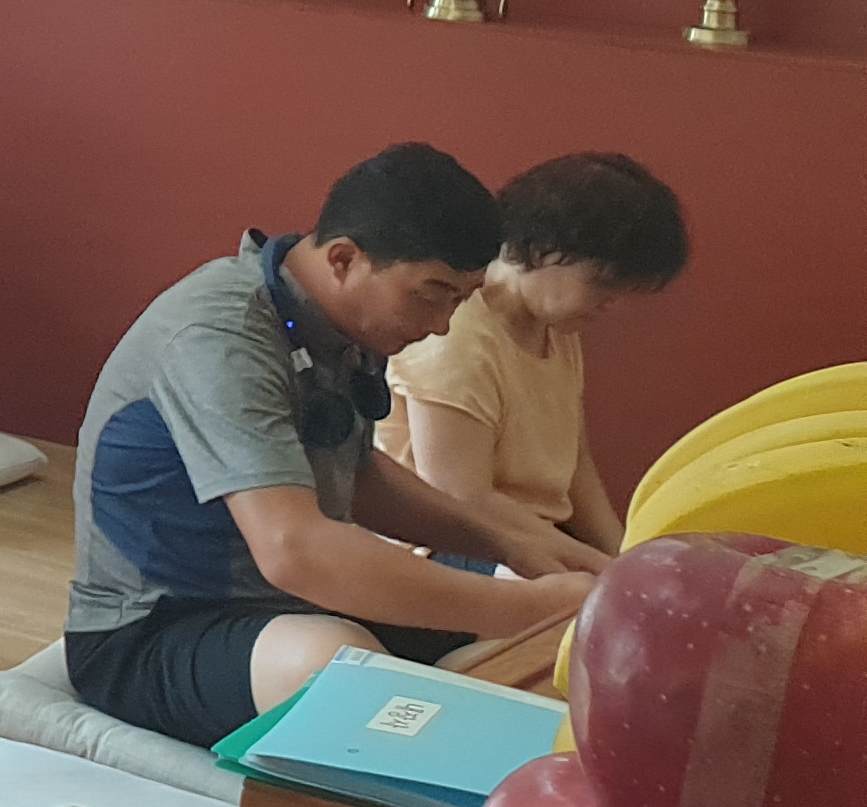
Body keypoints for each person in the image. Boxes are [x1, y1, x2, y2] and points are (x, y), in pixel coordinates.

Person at [64, 144, 602, 748]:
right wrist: (524, 605)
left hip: (287, 603)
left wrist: (512, 542)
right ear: (344, 260)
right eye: (432, 293)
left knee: (530, 644)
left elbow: (357, 474)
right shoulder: (218, 336)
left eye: (460, 299)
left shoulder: (340, 319)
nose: (442, 324)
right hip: (156, 627)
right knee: (340, 667)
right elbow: (294, 550)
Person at [373, 150, 685, 578]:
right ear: (541, 250)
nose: (612, 304)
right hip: (448, 546)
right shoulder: (457, 334)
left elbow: (576, 464)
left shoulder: (557, 328)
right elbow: (460, 497)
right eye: (603, 284)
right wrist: (596, 567)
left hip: (530, 535)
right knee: (593, 601)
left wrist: (625, 556)